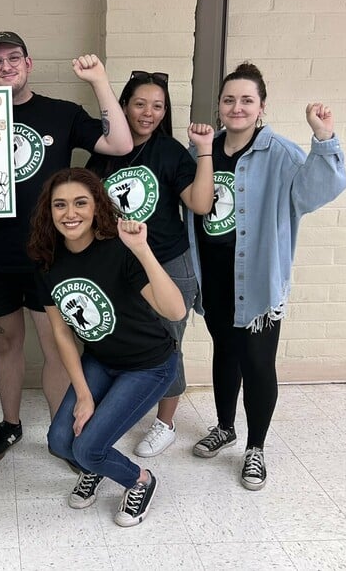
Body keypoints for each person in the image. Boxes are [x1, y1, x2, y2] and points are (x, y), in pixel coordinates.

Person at [0, 32, 133, 464]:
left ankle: (61, 429)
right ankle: (11, 424)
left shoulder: (61, 113)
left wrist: (99, 82)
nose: (6, 66)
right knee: (5, 343)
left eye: (13, 58)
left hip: (49, 255)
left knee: (57, 345)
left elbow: (121, 145)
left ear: (28, 64)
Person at [186, 62, 346, 490]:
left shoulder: (280, 151)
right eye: (229, 100)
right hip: (214, 275)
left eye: (246, 100)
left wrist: (323, 138)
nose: (236, 108)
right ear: (219, 106)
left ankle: (255, 447)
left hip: (257, 279)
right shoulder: (205, 149)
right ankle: (225, 426)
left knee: (257, 362)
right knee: (225, 351)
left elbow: (315, 191)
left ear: (261, 107)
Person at [28, 167, 185, 527]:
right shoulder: (47, 260)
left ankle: (140, 481)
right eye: (60, 205)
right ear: (49, 212)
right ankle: (95, 468)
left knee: (88, 447)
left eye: (80, 203)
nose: (71, 214)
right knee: (60, 440)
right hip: (100, 361)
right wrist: (83, 394)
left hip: (150, 365)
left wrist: (143, 250)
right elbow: (62, 333)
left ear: (96, 205)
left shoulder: (120, 250)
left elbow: (175, 310)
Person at [87, 71, 214, 458]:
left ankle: (166, 424)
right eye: (140, 104)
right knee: (123, 340)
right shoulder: (105, 152)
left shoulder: (170, 151)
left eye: (158, 106)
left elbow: (201, 204)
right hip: (120, 268)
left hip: (169, 264)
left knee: (167, 345)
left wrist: (205, 150)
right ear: (123, 105)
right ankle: (114, 411)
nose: (149, 113)